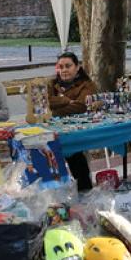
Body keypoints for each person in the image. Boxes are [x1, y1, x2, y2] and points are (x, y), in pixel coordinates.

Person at [50, 52, 97, 191]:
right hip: (53, 131)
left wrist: (54, 109)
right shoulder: (52, 84)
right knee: (44, 155)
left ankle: (84, 193)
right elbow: (43, 103)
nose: (64, 70)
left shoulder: (87, 85)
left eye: (68, 66)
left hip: (77, 132)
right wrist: (66, 100)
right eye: (61, 66)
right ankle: (57, 195)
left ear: (77, 67)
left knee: (75, 155)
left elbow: (81, 106)